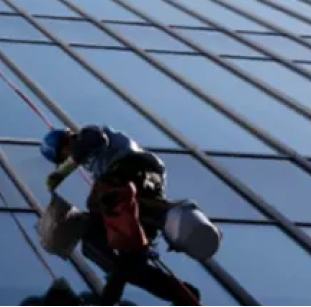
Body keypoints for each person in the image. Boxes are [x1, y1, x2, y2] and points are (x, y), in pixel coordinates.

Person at [42, 125, 200, 306]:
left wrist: (62, 171)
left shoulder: (87, 135)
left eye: (64, 154)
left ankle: (110, 295)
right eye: (63, 159)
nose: (68, 158)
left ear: (65, 140)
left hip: (134, 170)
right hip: (137, 184)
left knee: (97, 214)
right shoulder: (98, 167)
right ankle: (183, 294)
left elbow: (96, 140)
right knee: (126, 264)